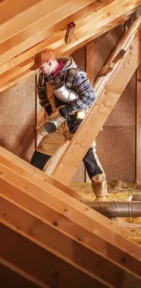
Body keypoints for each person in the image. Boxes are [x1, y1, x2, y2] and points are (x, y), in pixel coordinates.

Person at [29, 48, 108, 201]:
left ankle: (102, 196)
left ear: (51, 62)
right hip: (58, 124)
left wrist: (68, 110)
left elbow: (90, 96)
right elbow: (43, 98)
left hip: (78, 122)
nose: (40, 70)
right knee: (39, 157)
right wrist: (54, 114)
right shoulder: (43, 78)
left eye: (41, 67)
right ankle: (33, 192)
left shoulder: (74, 75)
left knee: (89, 158)